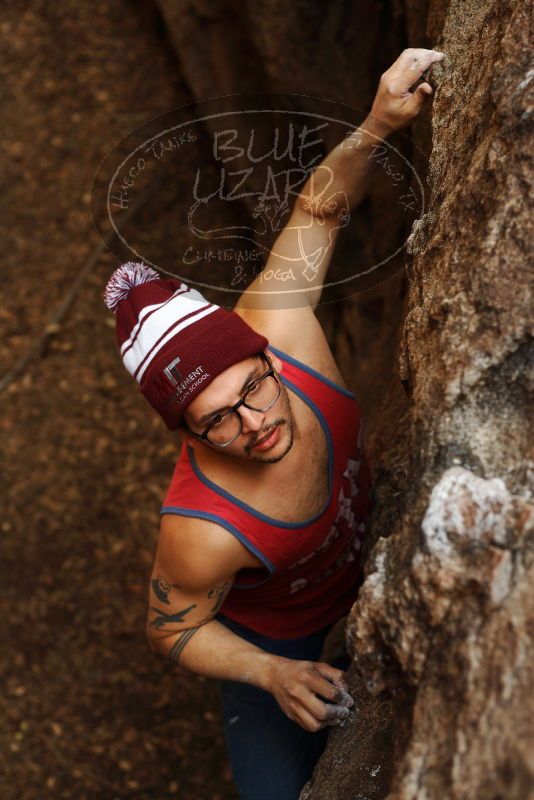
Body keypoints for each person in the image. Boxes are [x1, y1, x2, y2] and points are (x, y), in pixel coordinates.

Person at [103, 48, 444, 800]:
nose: (254, 424)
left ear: (261, 350)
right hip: (279, 633)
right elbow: (172, 627)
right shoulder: (201, 530)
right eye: (216, 421)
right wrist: (270, 671)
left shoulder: (281, 323)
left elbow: (318, 210)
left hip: (369, 552)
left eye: (254, 389)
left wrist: (379, 120)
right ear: (186, 437)